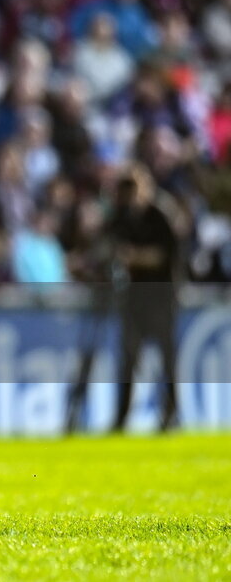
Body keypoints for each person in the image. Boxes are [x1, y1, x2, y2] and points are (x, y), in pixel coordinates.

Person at [110, 164, 181, 432]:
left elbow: (167, 255)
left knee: (167, 358)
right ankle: (122, 417)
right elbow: (110, 245)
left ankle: (172, 413)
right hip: (134, 296)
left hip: (161, 295)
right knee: (128, 358)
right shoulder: (123, 217)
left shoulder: (160, 214)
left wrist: (135, 257)